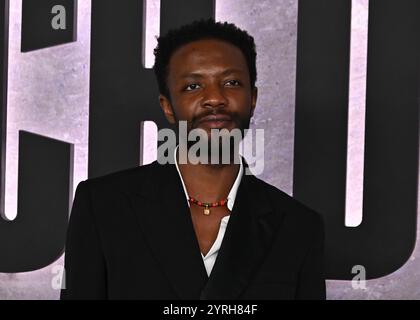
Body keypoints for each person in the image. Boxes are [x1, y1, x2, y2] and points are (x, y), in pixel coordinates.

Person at [61, 19, 325, 300]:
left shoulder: (299, 227)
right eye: (193, 86)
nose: (214, 98)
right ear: (168, 107)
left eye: (231, 82)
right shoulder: (103, 207)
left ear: (253, 98)